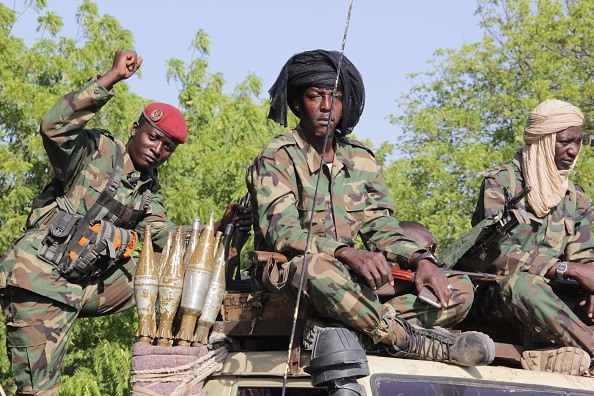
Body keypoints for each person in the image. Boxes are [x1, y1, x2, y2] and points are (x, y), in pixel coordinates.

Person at [0, 50, 250, 395]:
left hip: (78, 288)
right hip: (39, 280)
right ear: (135, 129)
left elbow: (166, 241)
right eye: (153, 137)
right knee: (39, 391)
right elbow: (54, 127)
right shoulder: (97, 151)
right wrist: (111, 77)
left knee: (166, 267)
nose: (157, 149)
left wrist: (218, 230)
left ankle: (173, 342)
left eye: (167, 147)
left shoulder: (149, 193)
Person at [247, 49, 494, 367]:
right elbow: (284, 233)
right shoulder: (277, 156)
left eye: (335, 97)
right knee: (314, 268)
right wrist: (345, 252)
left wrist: (421, 259)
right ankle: (412, 341)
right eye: (315, 97)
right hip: (295, 285)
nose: (326, 107)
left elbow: (381, 227)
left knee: (457, 286)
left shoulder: (360, 158)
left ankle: (361, 333)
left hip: (352, 289)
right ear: (296, 103)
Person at [470, 99, 594, 376]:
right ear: (544, 140)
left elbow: (584, 259)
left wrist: (591, 285)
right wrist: (563, 268)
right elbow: (492, 255)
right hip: (501, 295)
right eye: (564, 142)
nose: (574, 151)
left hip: (556, 297)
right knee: (525, 284)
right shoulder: (501, 182)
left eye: (578, 142)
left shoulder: (576, 197)